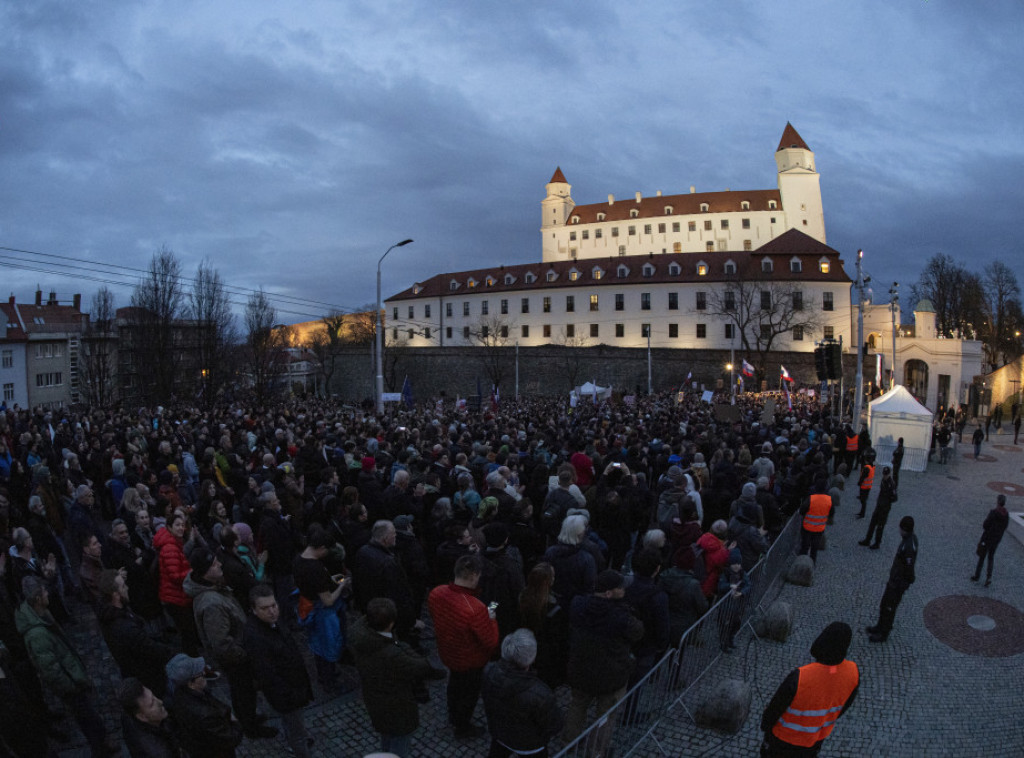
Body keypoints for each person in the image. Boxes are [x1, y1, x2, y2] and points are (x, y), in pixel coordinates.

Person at [16, 576, 117, 756]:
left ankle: (102, 742)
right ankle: (100, 748)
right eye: (44, 592)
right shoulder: (37, 634)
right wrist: (72, 686)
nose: (48, 594)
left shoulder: (41, 615)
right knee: (86, 717)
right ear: (38, 599)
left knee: (89, 715)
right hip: (71, 687)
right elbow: (50, 669)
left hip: (72, 677)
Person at [184, 546, 277, 739]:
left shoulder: (213, 587)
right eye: (213, 563)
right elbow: (222, 645)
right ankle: (250, 727)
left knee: (246, 692)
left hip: (239, 651)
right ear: (204, 572)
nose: (219, 564)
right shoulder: (211, 604)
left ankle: (248, 718)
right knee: (243, 692)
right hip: (237, 659)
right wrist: (246, 654)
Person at [349, 597, 446, 756]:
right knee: (400, 742)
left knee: (386, 736)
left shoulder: (360, 637)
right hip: (396, 706)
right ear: (391, 623)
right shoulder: (391, 654)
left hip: (374, 699)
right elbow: (421, 667)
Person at [562, 569, 644, 755]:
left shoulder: (578, 604)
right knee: (605, 715)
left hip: (580, 669)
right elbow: (638, 632)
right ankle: (596, 751)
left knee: (577, 706)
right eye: (620, 588)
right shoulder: (622, 617)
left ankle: (569, 743)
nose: (624, 590)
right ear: (609, 593)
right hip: (611, 675)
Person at [760, 621, 859, 757]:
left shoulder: (801, 677)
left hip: (782, 739)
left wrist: (765, 725)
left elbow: (776, 707)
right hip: (815, 739)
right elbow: (844, 705)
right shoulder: (853, 672)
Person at [428, 554, 500, 739]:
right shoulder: (475, 608)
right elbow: (490, 641)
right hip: (471, 660)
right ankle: (463, 726)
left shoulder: (437, 592)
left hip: (448, 653)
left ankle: (453, 714)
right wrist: (491, 616)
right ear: (475, 575)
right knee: (469, 694)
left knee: (455, 684)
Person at [244, 585, 314, 758]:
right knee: (294, 728)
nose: (272, 611)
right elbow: (267, 674)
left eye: (274, 605)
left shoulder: (273, 623)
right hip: (286, 694)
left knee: (294, 724)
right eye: (265, 608)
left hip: (293, 686)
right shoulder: (255, 637)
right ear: (253, 610)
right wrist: (289, 695)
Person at [481, 628, 564, 758]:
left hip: (500, 734)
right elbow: (554, 725)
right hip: (530, 746)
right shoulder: (540, 694)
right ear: (531, 658)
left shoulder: (489, 672)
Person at [97, 569, 178, 697]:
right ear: (115, 595)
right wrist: (174, 653)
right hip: (149, 675)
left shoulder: (110, 612)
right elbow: (149, 648)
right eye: (123, 586)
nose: (127, 588)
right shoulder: (124, 627)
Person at [293, 524, 349, 691]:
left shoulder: (299, 559)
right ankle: (328, 680)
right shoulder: (315, 568)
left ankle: (325, 675)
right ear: (322, 548)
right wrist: (342, 585)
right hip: (322, 613)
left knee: (319, 645)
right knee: (327, 646)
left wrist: (330, 579)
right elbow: (328, 601)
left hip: (308, 605)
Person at [164, 653, 243, 758]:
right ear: (191, 683)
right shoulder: (205, 715)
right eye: (200, 673)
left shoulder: (179, 694)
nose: (205, 673)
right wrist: (235, 722)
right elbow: (231, 738)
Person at [866, 516, 918, 643]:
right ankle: (879, 626)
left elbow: (909, 567)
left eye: (900, 528)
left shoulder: (909, 546)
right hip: (894, 580)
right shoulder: (908, 539)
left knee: (890, 607)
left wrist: (905, 582)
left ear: (904, 529)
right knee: (884, 604)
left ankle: (884, 632)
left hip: (898, 583)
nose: (899, 530)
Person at [117, 677, 185, 758]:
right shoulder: (159, 753)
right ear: (142, 717)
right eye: (152, 704)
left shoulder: (129, 713)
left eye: (153, 696)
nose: (160, 702)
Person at [971, 494, 1010, 586]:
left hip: (988, 538)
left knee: (982, 557)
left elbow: (985, 525)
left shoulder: (993, 513)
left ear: (998, 501)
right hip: (996, 540)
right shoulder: (1006, 515)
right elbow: (1005, 527)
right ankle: (989, 577)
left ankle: (977, 576)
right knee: (991, 557)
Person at [858, 466, 897, 549]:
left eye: (886, 474)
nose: (884, 476)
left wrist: (886, 501)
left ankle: (877, 543)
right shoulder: (883, 480)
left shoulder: (891, 484)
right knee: (872, 523)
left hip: (884, 508)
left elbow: (895, 498)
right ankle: (867, 540)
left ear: (889, 474)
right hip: (879, 505)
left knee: (880, 526)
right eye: (884, 474)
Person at [854, 450, 875, 519]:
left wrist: (859, 483)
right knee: (864, 500)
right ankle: (862, 513)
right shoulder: (872, 467)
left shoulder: (866, 468)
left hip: (864, 486)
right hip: (868, 486)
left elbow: (862, 477)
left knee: (863, 501)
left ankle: (862, 514)